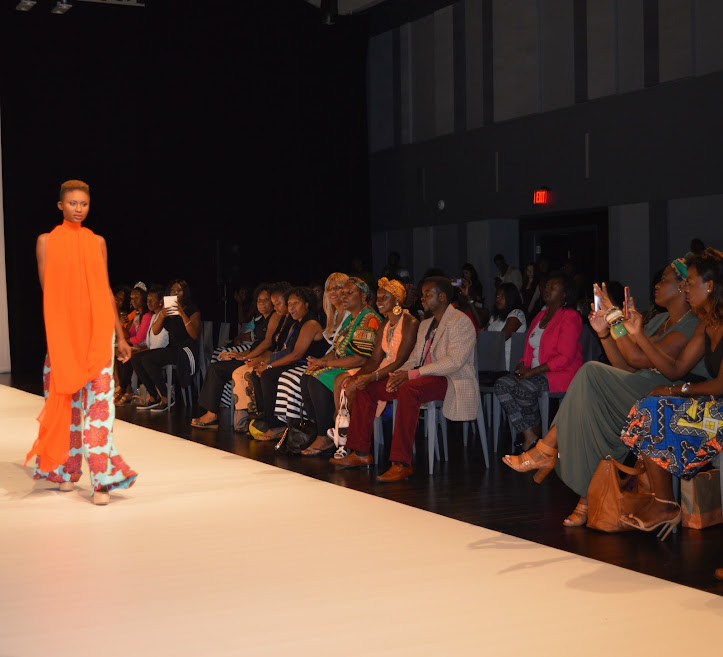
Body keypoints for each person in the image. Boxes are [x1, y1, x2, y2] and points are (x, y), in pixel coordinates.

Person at [502, 257, 705, 527]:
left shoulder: (692, 324)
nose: (656, 285)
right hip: (637, 386)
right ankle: (586, 496)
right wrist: (605, 334)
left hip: (664, 394)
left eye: (663, 280)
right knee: (592, 415)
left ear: (682, 286)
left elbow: (637, 359)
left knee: (590, 372)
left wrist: (615, 320)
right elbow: (626, 367)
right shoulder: (659, 320)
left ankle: (546, 449)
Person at [26, 179, 137, 505]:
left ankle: (101, 481)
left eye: (84, 204)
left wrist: (120, 336)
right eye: (72, 203)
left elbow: (105, 288)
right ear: (61, 205)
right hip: (64, 338)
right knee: (67, 408)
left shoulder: (97, 242)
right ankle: (65, 471)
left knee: (100, 409)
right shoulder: (46, 241)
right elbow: (49, 291)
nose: (78, 209)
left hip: (97, 336)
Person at [617, 248, 723, 537]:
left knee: (658, 408)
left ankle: (662, 503)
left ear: (710, 286)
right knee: (651, 405)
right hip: (714, 407)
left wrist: (678, 390)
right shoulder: (706, 324)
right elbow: (674, 368)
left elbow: (719, 385)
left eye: (691, 282)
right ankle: (663, 503)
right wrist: (638, 334)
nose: (686, 288)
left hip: (718, 408)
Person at [336, 277, 479, 481]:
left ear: (442, 297)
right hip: (424, 377)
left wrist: (411, 374)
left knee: (408, 389)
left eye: (428, 294)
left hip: (451, 380)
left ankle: (401, 463)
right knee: (367, 387)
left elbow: (454, 362)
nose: (422, 298)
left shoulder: (460, 321)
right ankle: (360, 452)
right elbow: (414, 359)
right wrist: (399, 374)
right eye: (423, 294)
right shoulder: (427, 324)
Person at [331, 277, 419, 459]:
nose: (378, 301)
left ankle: (352, 443)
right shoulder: (385, 323)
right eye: (378, 297)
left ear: (397, 300)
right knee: (351, 383)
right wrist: (358, 377)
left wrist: (371, 377)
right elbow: (374, 359)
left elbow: (401, 361)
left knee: (362, 388)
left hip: (402, 374)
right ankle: (350, 439)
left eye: (384, 297)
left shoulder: (410, 322)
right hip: (385, 371)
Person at [494, 273, 582, 452]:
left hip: (560, 374)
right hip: (534, 371)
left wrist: (532, 372)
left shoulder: (570, 317)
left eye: (553, 287)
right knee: (501, 385)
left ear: (564, 294)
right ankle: (530, 434)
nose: (546, 290)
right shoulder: (540, 315)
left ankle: (538, 433)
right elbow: (528, 350)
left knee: (523, 389)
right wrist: (521, 365)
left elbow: (565, 357)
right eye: (546, 286)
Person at [300, 278, 382, 456]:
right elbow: (337, 350)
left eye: (349, 293)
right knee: (307, 375)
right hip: (346, 364)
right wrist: (319, 362)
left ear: (363, 296)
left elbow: (360, 359)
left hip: (363, 368)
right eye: (342, 293)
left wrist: (325, 364)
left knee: (317, 380)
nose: (344, 297)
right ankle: (324, 429)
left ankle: (326, 436)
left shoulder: (369, 319)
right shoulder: (351, 319)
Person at [191, 284, 286, 429]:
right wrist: (238, 354)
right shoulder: (261, 320)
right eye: (259, 300)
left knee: (217, 369)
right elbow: (255, 344)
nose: (261, 303)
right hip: (252, 356)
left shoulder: (275, 317)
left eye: (266, 300)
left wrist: (243, 358)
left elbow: (267, 344)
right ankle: (216, 409)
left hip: (262, 359)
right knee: (217, 365)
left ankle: (214, 413)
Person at [249, 287, 328, 440]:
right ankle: (266, 418)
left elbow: (296, 355)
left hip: (307, 364)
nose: (291, 308)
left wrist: (270, 366)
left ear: (306, 304)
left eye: (295, 303)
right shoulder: (296, 324)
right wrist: (265, 363)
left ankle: (277, 424)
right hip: (297, 362)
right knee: (257, 373)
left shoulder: (311, 323)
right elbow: (287, 351)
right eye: (289, 304)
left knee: (269, 375)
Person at [273, 273, 349, 426]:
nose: (332, 292)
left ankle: (319, 427)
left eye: (337, 288)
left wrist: (323, 362)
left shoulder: (349, 316)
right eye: (329, 289)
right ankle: (303, 426)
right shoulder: (333, 315)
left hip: (344, 363)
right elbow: (334, 349)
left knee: (301, 378)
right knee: (301, 376)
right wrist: (321, 361)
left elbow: (297, 354)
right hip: (330, 360)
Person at [133, 279, 201, 411]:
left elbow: (194, 335)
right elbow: (155, 330)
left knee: (148, 359)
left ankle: (166, 397)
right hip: (172, 348)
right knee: (136, 358)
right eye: (173, 290)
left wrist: (182, 313)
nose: (175, 293)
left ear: (185, 292)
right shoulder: (169, 313)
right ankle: (154, 396)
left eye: (179, 290)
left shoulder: (192, 309)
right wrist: (162, 315)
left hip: (186, 350)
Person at [114, 282, 151, 405]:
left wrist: (124, 341)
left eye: (136, 298)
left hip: (146, 347)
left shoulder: (147, 315)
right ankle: (124, 388)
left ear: (143, 298)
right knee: (121, 353)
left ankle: (123, 388)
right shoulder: (137, 315)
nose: (133, 300)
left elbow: (139, 338)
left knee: (127, 355)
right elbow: (130, 334)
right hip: (139, 347)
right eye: (131, 298)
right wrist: (122, 326)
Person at [485, 283, 527, 370]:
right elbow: (486, 334)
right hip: (492, 356)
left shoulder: (516, 313)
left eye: (502, 296)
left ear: (510, 298)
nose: (498, 299)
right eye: (497, 296)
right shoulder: (496, 316)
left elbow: (502, 337)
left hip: (506, 361)